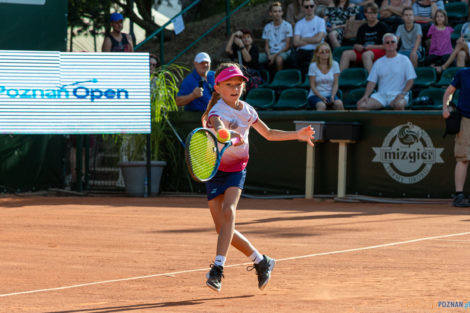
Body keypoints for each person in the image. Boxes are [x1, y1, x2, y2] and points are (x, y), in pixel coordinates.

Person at [201, 62, 315, 292]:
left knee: (229, 212)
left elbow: (269, 133)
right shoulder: (216, 112)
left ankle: (217, 269)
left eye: (239, 84)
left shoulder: (248, 110)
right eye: (229, 84)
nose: (235, 88)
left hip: (236, 169)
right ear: (218, 88)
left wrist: (297, 135)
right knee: (223, 229)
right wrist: (230, 136)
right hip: (215, 170)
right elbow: (220, 129)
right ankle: (262, 261)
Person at [357, 33, 416, 110]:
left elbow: (410, 80)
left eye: (392, 42)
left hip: (398, 94)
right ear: (384, 45)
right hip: (381, 96)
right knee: (361, 105)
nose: (390, 44)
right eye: (387, 42)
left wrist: (403, 94)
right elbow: (372, 81)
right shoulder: (378, 62)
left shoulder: (405, 60)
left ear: (396, 45)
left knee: (399, 105)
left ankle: (400, 122)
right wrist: (366, 95)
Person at [443, 68, 470, 207]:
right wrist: (445, 107)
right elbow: (449, 92)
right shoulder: (463, 73)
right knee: (463, 157)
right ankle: (459, 195)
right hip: (465, 119)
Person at [339, 3, 389, 72]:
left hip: (379, 51)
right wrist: (357, 46)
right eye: (370, 13)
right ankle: (338, 80)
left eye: (375, 13)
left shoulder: (383, 26)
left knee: (366, 55)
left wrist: (371, 47)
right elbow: (356, 44)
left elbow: (387, 45)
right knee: (346, 54)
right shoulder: (362, 28)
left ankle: (371, 80)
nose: (373, 15)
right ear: (365, 14)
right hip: (364, 50)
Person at [292, 0, 327, 76]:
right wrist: (313, 38)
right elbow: (295, 43)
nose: (309, 8)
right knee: (290, 59)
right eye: (306, 7)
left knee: (312, 59)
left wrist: (303, 38)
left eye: (311, 6)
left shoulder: (321, 21)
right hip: (301, 51)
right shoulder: (299, 24)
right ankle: (299, 80)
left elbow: (318, 39)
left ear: (315, 6)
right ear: (303, 8)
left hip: (316, 50)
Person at [307, 43, 344, 110]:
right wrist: (321, 97)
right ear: (317, 54)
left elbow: (335, 84)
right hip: (315, 95)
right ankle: (319, 121)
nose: (325, 53)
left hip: (330, 94)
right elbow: (312, 86)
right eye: (322, 52)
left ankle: (342, 120)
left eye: (327, 51)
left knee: (339, 103)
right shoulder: (313, 66)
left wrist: (332, 96)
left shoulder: (335, 64)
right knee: (321, 105)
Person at [260, 2, 293, 72]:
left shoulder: (287, 26)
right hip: (270, 52)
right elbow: (266, 46)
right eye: (275, 11)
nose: (277, 13)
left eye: (279, 11)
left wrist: (273, 56)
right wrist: (269, 55)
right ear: (270, 13)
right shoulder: (267, 27)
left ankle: (279, 78)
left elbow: (287, 47)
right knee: (256, 58)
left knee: (278, 59)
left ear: (282, 13)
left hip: (283, 52)